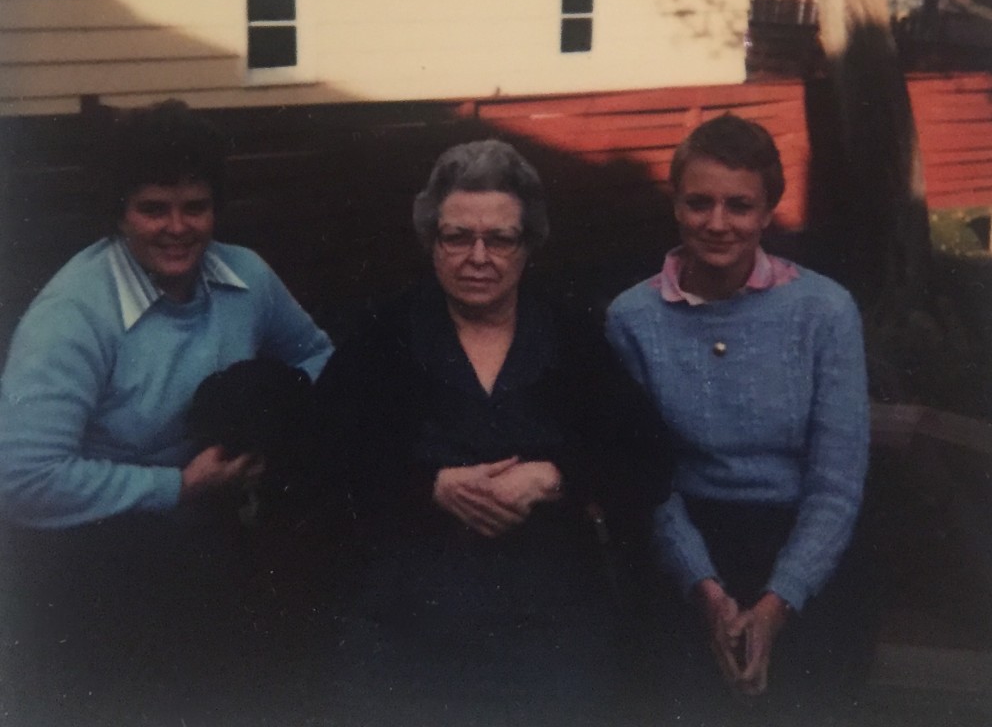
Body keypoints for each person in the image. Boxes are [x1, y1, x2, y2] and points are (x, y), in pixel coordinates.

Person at [312, 139, 672, 727]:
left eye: (500, 238)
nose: (478, 256)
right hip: (406, 643)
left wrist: (553, 476)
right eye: (457, 237)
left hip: (551, 640)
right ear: (432, 240)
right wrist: (428, 485)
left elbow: (648, 458)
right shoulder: (382, 335)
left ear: (529, 245)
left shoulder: (572, 335)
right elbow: (318, 458)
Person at [0, 99, 334, 725]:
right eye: (153, 207)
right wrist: (177, 486)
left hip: (230, 540)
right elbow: (20, 478)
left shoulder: (247, 277)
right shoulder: (71, 317)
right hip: (102, 565)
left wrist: (275, 419)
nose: (178, 227)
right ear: (119, 214)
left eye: (195, 206)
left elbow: (320, 359)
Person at [605, 113, 871, 718]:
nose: (718, 223)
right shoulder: (633, 318)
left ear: (768, 212)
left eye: (739, 205)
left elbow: (836, 485)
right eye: (699, 203)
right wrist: (707, 593)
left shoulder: (824, 312)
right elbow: (649, 479)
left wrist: (779, 602)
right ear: (676, 206)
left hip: (805, 548)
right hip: (683, 547)